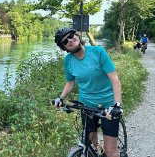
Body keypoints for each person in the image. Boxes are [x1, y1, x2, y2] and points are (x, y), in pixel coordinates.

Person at [53, 27, 123, 157]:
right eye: (65, 41)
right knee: (90, 144)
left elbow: (114, 79)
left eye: (71, 35)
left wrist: (116, 105)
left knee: (111, 151)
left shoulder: (98, 52)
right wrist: (61, 98)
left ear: (78, 36)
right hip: (86, 106)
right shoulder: (68, 60)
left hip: (108, 106)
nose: (70, 40)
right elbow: (70, 82)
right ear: (64, 48)